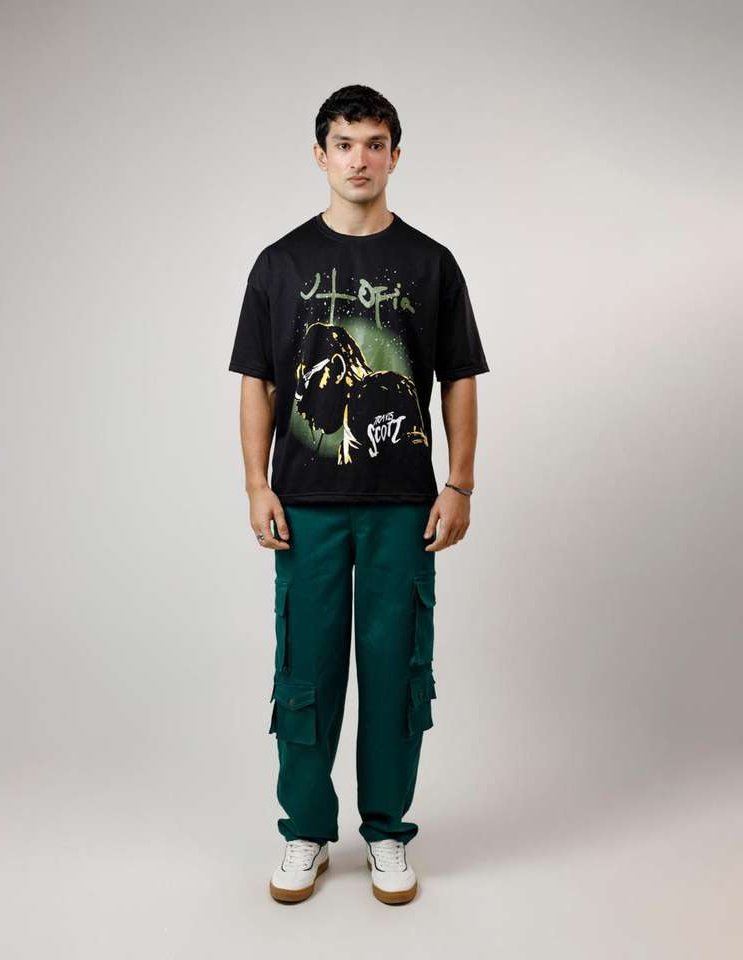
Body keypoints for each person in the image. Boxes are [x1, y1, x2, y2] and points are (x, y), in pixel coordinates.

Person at [227, 84, 489, 905]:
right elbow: (258, 382)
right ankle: (306, 829)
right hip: (305, 505)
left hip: (402, 505)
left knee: (396, 672)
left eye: (375, 144)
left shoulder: (431, 263)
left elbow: (459, 379)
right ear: (321, 155)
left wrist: (459, 483)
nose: (360, 159)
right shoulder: (279, 264)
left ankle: (386, 833)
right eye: (345, 144)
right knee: (304, 671)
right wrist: (256, 485)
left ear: (395, 156)